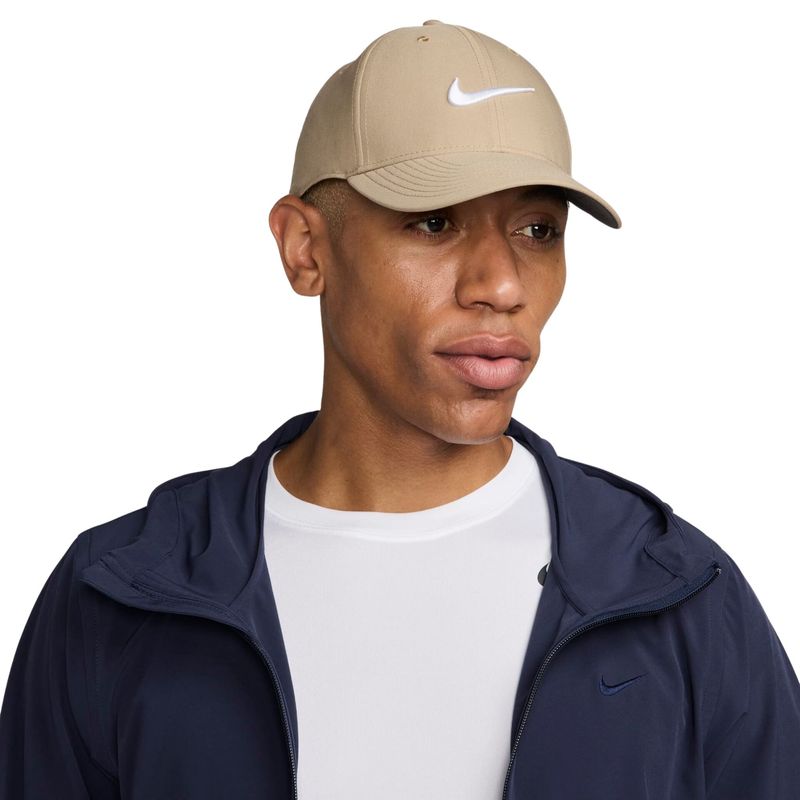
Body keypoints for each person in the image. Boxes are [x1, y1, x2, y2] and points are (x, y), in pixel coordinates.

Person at [1, 18, 798, 800]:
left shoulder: (678, 595)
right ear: (305, 249)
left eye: (537, 228)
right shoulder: (120, 595)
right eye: (435, 221)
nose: (502, 284)